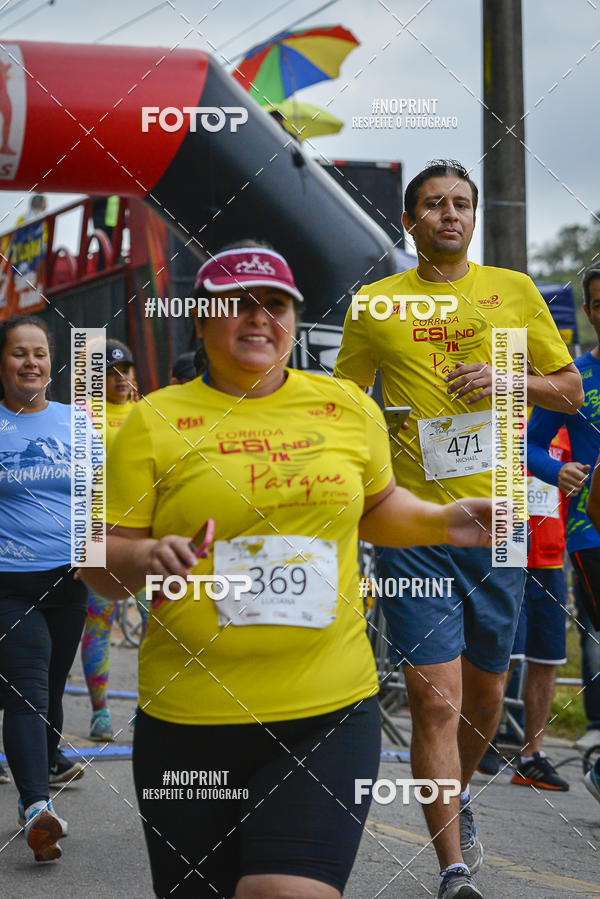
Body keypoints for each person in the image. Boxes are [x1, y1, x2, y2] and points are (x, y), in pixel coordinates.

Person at [82, 240, 496, 899]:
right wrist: (144, 555)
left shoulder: (346, 406)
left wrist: (446, 520)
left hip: (326, 711)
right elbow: (98, 562)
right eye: (237, 304)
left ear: (294, 319)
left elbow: (377, 506)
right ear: (201, 319)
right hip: (189, 721)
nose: (259, 317)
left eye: (275, 304)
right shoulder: (154, 420)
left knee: (287, 890)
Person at [334, 160, 583, 899]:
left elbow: (569, 390)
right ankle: (453, 869)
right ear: (409, 221)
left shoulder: (516, 290)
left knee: (484, 697)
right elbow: (346, 400)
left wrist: (510, 381)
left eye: (461, 204)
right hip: (414, 524)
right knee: (434, 698)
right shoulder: (377, 304)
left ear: (473, 217)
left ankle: (460, 791)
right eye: (434, 204)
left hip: (498, 519)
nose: (450, 214)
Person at [0, 315, 90, 861]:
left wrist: (95, 553)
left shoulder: (77, 421)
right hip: (7, 585)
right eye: (19, 353)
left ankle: (35, 786)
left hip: (68, 581)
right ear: (0, 362)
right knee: (28, 688)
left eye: (40, 352)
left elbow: (98, 493)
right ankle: (37, 807)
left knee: (51, 693)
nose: (31, 362)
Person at [528, 264, 600, 755]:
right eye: (599, 303)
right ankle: (596, 726)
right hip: (591, 531)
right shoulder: (577, 379)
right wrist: (559, 472)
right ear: (589, 311)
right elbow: (528, 445)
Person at [81, 338, 147, 741]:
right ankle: (100, 714)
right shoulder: (83, 417)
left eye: (127, 370)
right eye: (110, 372)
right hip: (99, 534)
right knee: (100, 622)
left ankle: (148, 710)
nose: (121, 378)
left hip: (145, 536)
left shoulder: (150, 413)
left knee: (157, 625)